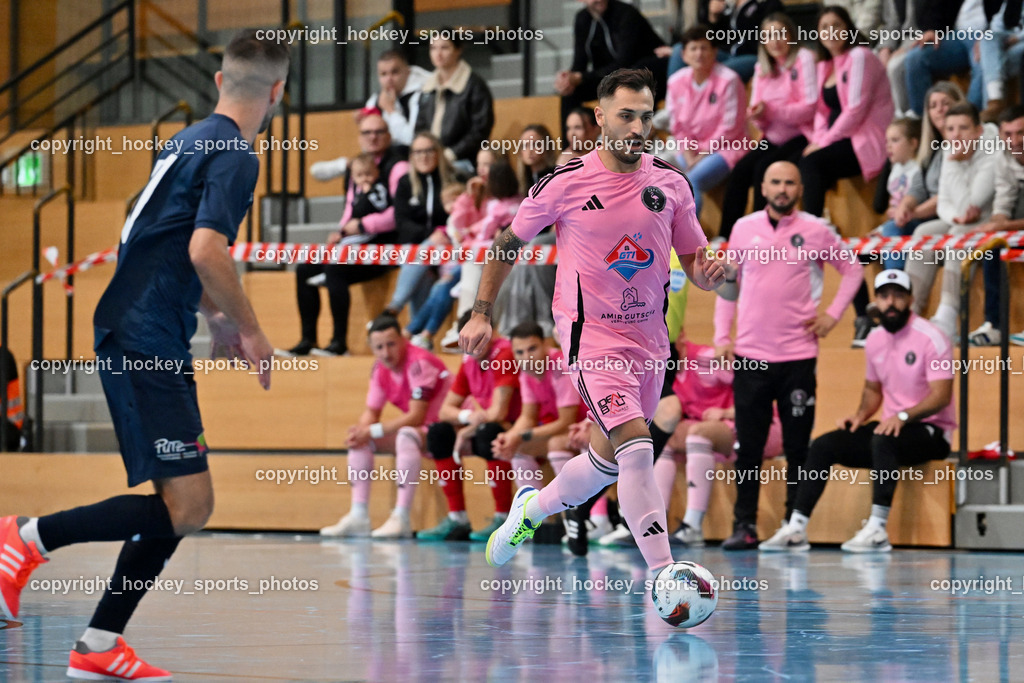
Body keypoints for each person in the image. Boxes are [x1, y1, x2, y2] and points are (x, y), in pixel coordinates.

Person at [0, 30, 286, 679]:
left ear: (218, 82)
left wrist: (211, 315)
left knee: (182, 504)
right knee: (190, 506)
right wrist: (252, 330)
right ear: (278, 92)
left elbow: (148, 237)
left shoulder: (185, 140)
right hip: (146, 332)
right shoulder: (237, 155)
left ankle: (99, 644)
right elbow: (205, 250)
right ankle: (24, 537)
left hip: (141, 324)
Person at [460, 68, 731, 578]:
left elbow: (695, 261)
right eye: (625, 115)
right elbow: (506, 244)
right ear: (600, 118)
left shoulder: (671, 182)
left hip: (651, 342)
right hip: (592, 340)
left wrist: (711, 273)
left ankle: (532, 510)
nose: (635, 126)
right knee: (636, 446)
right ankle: (664, 574)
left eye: (645, 117)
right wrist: (481, 313)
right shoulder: (564, 182)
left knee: (607, 461)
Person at [715, 161, 863, 550]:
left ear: (799, 188)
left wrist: (832, 316)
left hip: (798, 357)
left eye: (789, 183)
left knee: (799, 447)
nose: (782, 189)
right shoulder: (743, 228)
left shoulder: (817, 229)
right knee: (748, 447)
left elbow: (852, 270)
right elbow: (728, 283)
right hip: (750, 356)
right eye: (775, 182)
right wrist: (720, 336)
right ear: (762, 187)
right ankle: (743, 524)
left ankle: (792, 525)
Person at [760, 269, 955, 553]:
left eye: (898, 296)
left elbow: (941, 395)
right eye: (885, 296)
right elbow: (873, 390)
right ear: (876, 301)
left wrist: (903, 416)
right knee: (825, 445)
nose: (891, 303)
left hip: (930, 431)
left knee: (883, 438)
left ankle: (877, 529)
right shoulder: (875, 338)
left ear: (911, 300)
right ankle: (796, 527)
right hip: (892, 428)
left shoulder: (932, 337)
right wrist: (859, 416)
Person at [320, 315, 452, 539]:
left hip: (448, 429)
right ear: (372, 348)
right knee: (361, 441)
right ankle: (359, 515)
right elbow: (371, 412)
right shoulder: (379, 368)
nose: (385, 352)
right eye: (379, 347)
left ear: (403, 340)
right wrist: (360, 432)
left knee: (406, 435)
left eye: (391, 344)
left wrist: (371, 430)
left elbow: (416, 416)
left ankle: (402, 516)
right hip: (424, 431)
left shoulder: (419, 362)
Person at [288, 113, 409, 356]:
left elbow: (400, 212)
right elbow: (350, 208)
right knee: (305, 268)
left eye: (378, 132)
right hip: (354, 243)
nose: (373, 137)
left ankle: (338, 344)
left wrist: (365, 225)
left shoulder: (399, 167)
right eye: (367, 132)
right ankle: (308, 339)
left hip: (385, 245)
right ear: (360, 137)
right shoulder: (358, 167)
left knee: (335, 269)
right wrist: (341, 232)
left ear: (388, 135)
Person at [418, 311, 520, 541]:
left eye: (477, 338)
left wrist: (468, 428)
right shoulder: (470, 362)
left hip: (515, 425)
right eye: (468, 339)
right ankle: (458, 519)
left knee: (489, 434)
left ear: (489, 333)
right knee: (438, 433)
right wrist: (466, 418)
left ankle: (503, 516)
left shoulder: (504, 354)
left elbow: (499, 412)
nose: (472, 345)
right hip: (486, 424)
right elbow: (446, 411)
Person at [903, 102, 997, 340]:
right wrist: (954, 216)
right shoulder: (949, 147)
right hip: (960, 219)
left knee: (957, 233)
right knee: (924, 232)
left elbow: (972, 204)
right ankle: (909, 309)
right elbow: (944, 200)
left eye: (963, 128)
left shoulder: (992, 148)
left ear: (978, 131)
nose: (956, 135)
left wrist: (955, 163)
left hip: (990, 221)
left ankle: (947, 314)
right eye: (950, 129)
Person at [720, 13, 817, 241]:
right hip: (772, 135)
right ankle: (726, 237)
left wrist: (773, 111)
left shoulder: (804, 58)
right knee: (741, 170)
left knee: (763, 169)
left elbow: (810, 107)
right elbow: (760, 115)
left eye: (780, 34)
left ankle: (760, 236)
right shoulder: (761, 67)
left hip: (802, 134)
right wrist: (758, 115)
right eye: (769, 36)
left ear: (791, 36)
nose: (775, 41)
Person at [492, 322, 589, 494]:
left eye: (532, 349)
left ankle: (575, 510)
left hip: (587, 428)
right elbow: (528, 416)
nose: (526, 357)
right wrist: (509, 437)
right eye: (519, 352)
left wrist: (520, 435)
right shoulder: (526, 373)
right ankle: (532, 515)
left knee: (555, 443)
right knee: (515, 447)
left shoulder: (560, 367)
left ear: (546, 344)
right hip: (565, 430)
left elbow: (566, 421)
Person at [664, 26, 750, 220]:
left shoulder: (729, 80)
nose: (699, 53)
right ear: (684, 54)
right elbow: (677, 125)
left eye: (704, 48)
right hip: (690, 150)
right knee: (662, 178)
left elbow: (730, 129)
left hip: (727, 147)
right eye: (693, 48)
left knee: (690, 180)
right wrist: (688, 151)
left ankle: (691, 244)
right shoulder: (676, 81)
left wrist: (700, 155)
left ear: (715, 52)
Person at [310, 51, 426, 179]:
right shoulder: (375, 100)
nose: (389, 79)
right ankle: (346, 165)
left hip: (411, 161)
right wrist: (363, 123)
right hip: (379, 163)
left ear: (407, 72)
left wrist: (391, 112)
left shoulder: (423, 96)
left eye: (395, 72)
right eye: (383, 74)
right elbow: (369, 146)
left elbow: (414, 142)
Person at [556, 0, 672, 128]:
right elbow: (579, 63)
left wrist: (582, 77)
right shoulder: (582, 19)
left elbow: (624, 63)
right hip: (611, 76)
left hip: (647, 74)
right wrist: (569, 79)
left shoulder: (626, 13)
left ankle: (637, 134)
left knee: (634, 77)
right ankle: (570, 146)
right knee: (571, 92)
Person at [382, 132, 457, 322]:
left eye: (428, 151)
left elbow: (463, 215)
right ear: (411, 157)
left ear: (438, 153)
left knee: (422, 257)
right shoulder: (406, 183)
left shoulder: (455, 179)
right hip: (416, 249)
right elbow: (402, 223)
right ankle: (418, 337)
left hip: (450, 246)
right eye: (418, 152)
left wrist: (442, 235)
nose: (423, 156)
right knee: (421, 271)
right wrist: (430, 236)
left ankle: (394, 307)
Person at [496, 124, 560, 339]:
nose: (530, 150)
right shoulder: (525, 182)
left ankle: (543, 318)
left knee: (532, 249)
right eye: (525, 145)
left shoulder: (555, 174)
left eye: (535, 144)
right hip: (535, 240)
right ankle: (513, 324)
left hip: (560, 237)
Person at [972, 105, 1024, 346]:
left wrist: (1005, 226)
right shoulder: (1002, 157)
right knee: (991, 245)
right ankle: (994, 325)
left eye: (1021, 132)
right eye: (1008, 135)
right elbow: (1004, 198)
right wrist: (995, 225)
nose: (1015, 141)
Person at [415, 29, 494, 173]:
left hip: (463, 160)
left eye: (444, 47)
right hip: (431, 158)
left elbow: (480, 131)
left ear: (458, 50)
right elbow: (420, 128)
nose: (438, 54)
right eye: (433, 48)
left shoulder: (474, 85)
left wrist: (451, 154)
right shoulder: (427, 87)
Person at [669, 0, 783, 82]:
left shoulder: (767, 4)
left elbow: (769, 36)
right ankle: (674, 100)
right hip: (725, 53)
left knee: (712, 70)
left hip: (752, 56)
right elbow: (711, 37)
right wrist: (713, 17)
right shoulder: (728, 4)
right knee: (679, 49)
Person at [869, 118, 922, 273]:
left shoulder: (919, 169)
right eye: (887, 141)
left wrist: (888, 227)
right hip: (896, 223)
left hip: (914, 222)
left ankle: (896, 278)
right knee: (861, 249)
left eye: (895, 140)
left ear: (913, 143)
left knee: (891, 229)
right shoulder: (895, 170)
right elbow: (893, 206)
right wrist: (881, 228)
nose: (889, 146)